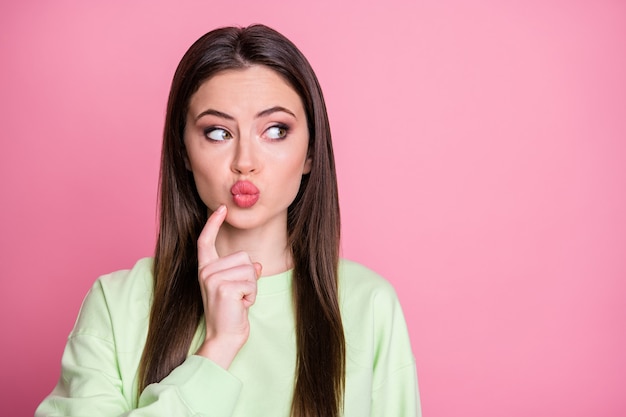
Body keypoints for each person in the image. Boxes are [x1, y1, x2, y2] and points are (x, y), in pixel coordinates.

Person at [36, 24, 421, 417]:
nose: (245, 162)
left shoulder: (368, 304)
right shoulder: (116, 304)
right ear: (183, 150)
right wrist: (217, 348)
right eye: (218, 132)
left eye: (275, 130)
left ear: (310, 151)